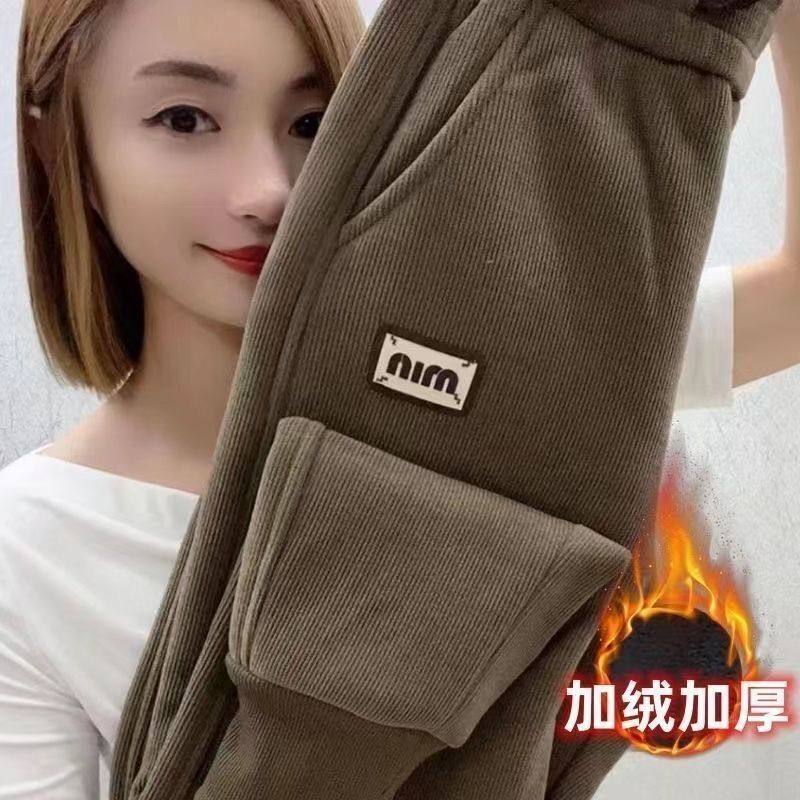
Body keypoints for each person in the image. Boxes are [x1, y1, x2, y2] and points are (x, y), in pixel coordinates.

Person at [0, 0, 797, 797]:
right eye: (184, 120)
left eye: (313, 123)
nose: (267, 191)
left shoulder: (525, 368)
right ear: (55, 136)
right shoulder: (32, 544)